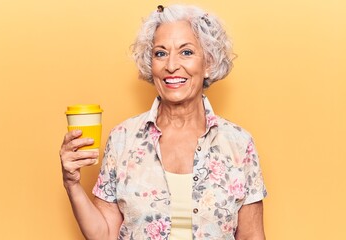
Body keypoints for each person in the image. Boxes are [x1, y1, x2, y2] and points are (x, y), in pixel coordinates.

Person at [60, 4, 267, 240]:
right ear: (151, 64)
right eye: (160, 53)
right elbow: (104, 234)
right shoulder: (122, 139)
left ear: (208, 63)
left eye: (186, 52)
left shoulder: (239, 144)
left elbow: (252, 236)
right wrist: (72, 184)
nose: (171, 65)